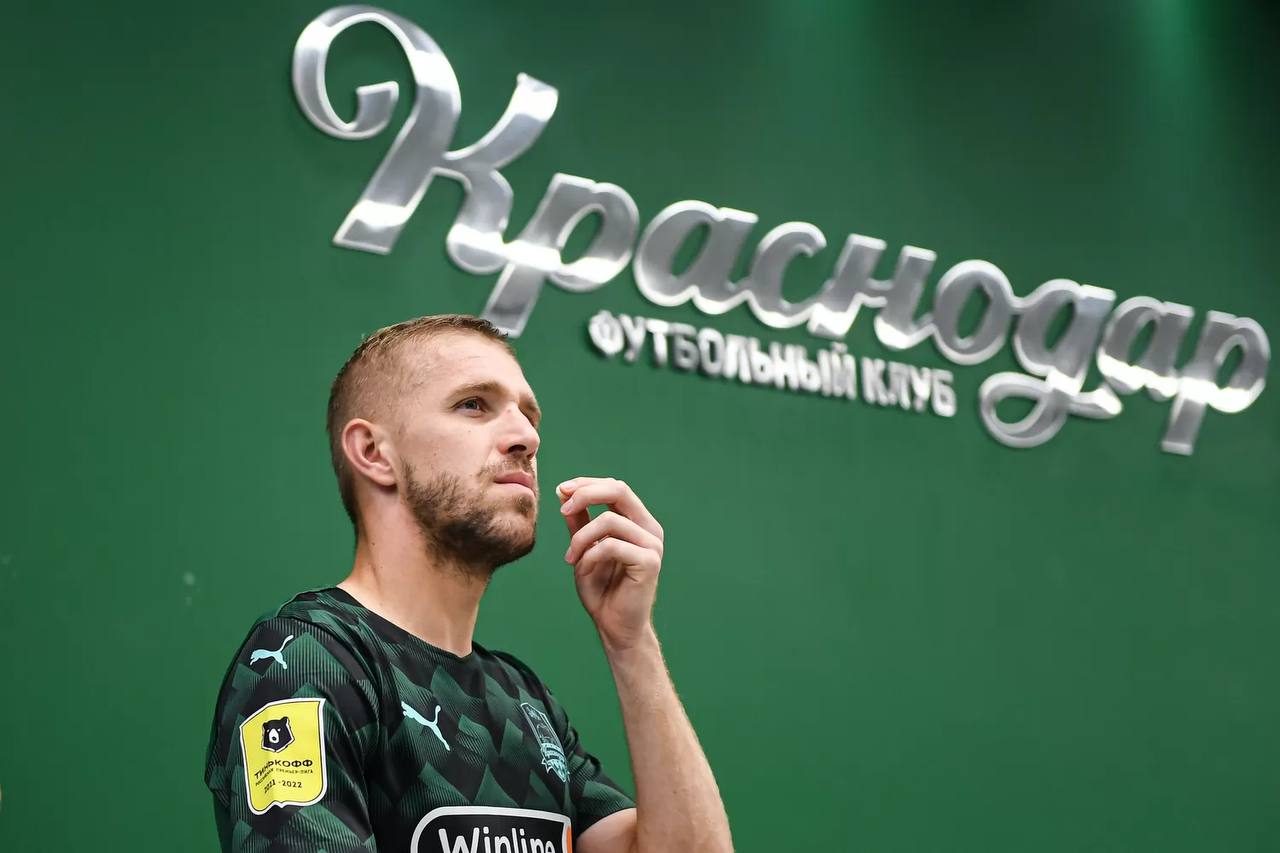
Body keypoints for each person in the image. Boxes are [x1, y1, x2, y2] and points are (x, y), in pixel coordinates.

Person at [203, 314, 733, 853]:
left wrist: (631, 642)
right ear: (373, 453)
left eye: (529, 416)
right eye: (473, 405)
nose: (526, 437)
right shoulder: (309, 659)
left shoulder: (524, 702)